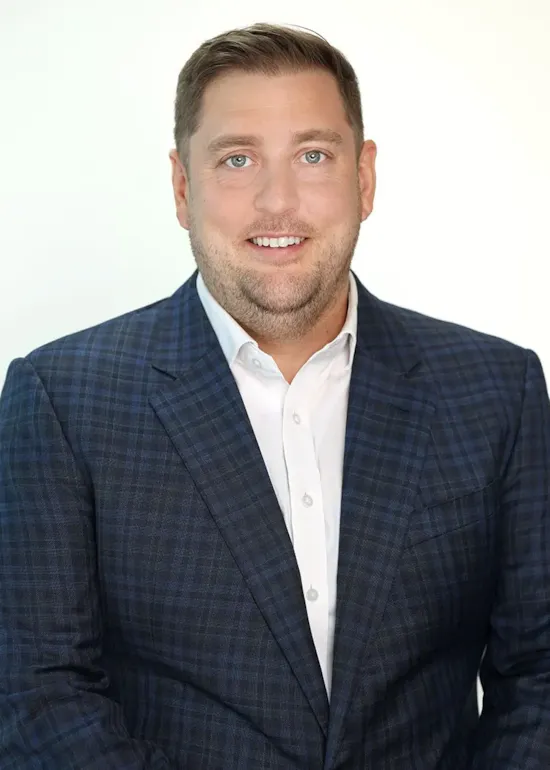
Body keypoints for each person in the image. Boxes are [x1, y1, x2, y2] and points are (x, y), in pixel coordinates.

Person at [0, 21, 549, 770]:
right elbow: (40, 699)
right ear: (182, 186)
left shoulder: (497, 390)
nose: (277, 202)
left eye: (314, 155)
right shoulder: (60, 400)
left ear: (365, 177)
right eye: (237, 159)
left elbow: (539, 675)